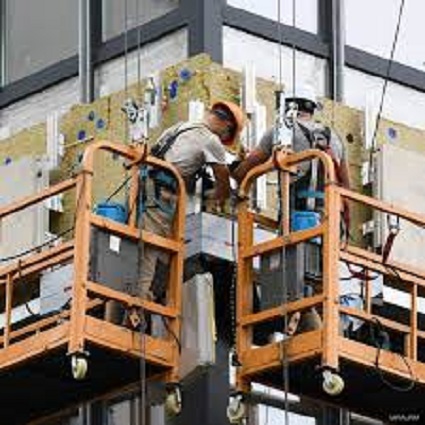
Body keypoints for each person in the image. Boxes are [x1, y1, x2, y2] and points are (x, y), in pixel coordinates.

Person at [232, 87, 351, 334]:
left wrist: (235, 169)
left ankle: (313, 337)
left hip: (297, 221)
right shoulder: (334, 138)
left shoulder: (282, 130)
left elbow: (247, 169)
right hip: (329, 224)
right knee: (322, 290)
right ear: (312, 108)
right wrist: (344, 229)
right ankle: (332, 340)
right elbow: (346, 188)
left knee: (295, 291)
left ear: (288, 106)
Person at [137, 100, 246, 302]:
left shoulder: (180, 127)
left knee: (157, 247)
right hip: (161, 194)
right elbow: (222, 184)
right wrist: (218, 197)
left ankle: (148, 295)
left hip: (143, 186)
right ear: (227, 125)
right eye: (226, 136)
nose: (222, 139)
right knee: (152, 245)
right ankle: (141, 300)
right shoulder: (210, 140)